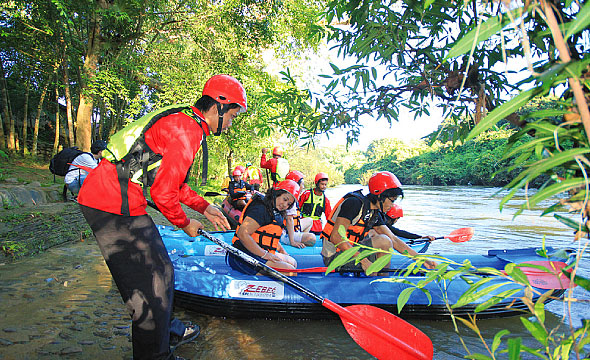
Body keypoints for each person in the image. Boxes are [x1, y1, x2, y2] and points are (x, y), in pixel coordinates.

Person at [77, 74, 247, 360]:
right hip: (110, 199)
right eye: (233, 114)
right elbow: (163, 193)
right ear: (218, 105)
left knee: (163, 270)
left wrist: (205, 208)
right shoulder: (187, 130)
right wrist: (185, 223)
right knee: (148, 285)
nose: (231, 122)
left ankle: (167, 330)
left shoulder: (187, 121)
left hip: (119, 196)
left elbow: (175, 184)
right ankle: (155, 355)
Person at [320, 171, 436, 274]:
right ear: (379, 195)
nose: (391, 206)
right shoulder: (354, 203)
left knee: (387, 240)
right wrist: (363, 260)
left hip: (349, 253)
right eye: (392, 200)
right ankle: (378, 282)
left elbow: (394, 240)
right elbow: (336, 237)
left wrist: (421, 259)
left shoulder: (374, 212)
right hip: (334, 257)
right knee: (383, 241)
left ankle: (380, 280)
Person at [228, 180, 300, 275]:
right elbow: (242, 233)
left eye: (289, 204)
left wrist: (281, 250)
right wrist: (265, 254)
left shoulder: (274, 209)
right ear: (277, 193)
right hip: (242, 256)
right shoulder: (260, 208)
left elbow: (267, 234)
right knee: (291, 272)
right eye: (285, 199)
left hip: (258, 252)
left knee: (292, 262)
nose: (285, 205)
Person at [281, 170, 316, 248]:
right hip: (285, 234)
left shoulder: (291, 196)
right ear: (296, 184)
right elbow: (289, 220)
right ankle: (295, 240)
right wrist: (292, 241)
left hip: (294, 228)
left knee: (309, 220)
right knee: (312, 238)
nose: (303, 187)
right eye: (302, 184)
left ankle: (300, 237)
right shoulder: (290, 198)